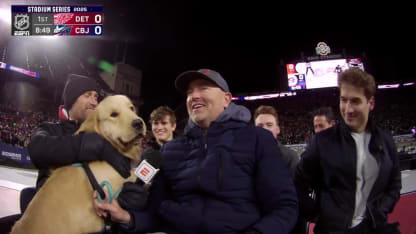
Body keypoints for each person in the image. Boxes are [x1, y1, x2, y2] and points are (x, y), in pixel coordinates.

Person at [94, 68, 298, 234]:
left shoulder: (257, 139)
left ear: (227, 99)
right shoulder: (170, 151)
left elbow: (284, 206)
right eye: (190, 92)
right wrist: (128, 217)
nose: (194, 96)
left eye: (204, 88)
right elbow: (156, 212)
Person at [0, 74, 132, 233]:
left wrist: (129, 198)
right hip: (53, 218)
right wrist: (89, 144)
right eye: (87, 95)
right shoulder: (50, 129)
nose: (94, 102)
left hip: (91, 220)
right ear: (72, 99)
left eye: (96, 97)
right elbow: (37, 149)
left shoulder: (105, 137)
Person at [295, 68, 401, 234]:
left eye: (355, 101)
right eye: (344, 100)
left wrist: (380, 210)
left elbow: (394, 185)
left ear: (370, 103)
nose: (348, 109)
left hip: (376, 228)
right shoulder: (322, 142)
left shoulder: (385, 140)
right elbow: (296, 186)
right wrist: (317, 214)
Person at [253, 105, 299, 175]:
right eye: (260, 126)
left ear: (277, 129)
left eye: (269, 125)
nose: (264, 129)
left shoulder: (291, 157)